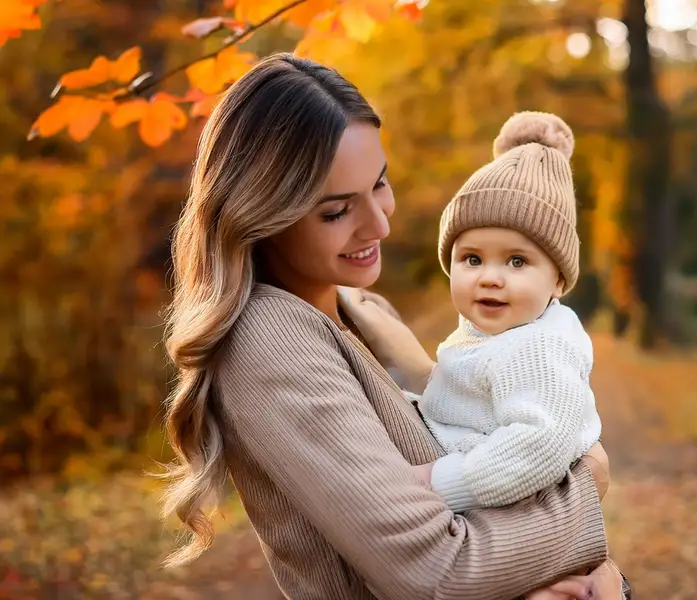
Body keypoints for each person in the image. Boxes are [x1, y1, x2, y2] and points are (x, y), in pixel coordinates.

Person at [159, 51, 626, 600]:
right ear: (261, 216)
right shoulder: (269, 340)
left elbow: (458, 436)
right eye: (336, 211)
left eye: (379, 184)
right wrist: (583, 491)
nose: (379, 223)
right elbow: (437, 571)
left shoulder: (362, 311)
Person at [337, 111, 604, 514]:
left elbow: (542, 444)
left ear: (558, 282)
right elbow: (460, 402)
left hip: (510, 516)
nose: (490, 278)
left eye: (516, 262)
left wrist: (435, 483)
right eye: (472, 259)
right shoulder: (489, 335)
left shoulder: (540, 347)